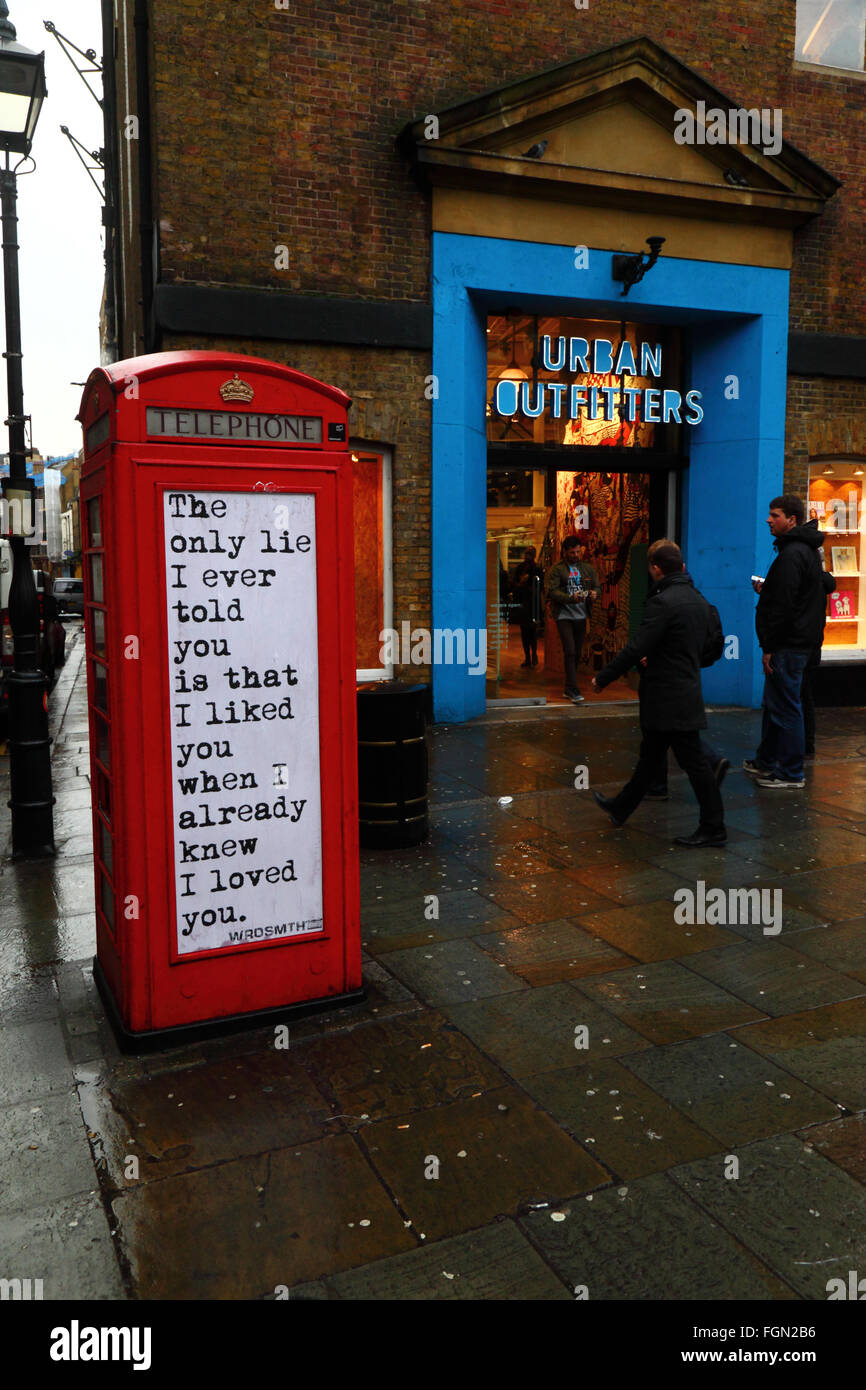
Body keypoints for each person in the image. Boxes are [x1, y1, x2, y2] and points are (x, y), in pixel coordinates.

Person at [590, 540, 726, 847]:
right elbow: (706, 648)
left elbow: (638, 647)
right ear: (682, 566)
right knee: (650, 759)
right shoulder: (698, 600)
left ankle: (714, 827)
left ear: (655, 568)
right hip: (684, 689)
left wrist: (605, 676)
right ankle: (621, 807)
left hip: (666, 694)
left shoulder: (663, 602)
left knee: (693, 763)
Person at [744, 495, 829, 789]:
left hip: (789, 645)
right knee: (778, 705)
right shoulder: (803, 552)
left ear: (792, 520)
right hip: (797, 643)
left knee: (787, 708)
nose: (769, 520)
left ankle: (791, 772)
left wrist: (769, 646)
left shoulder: (793, 554)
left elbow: (784, 605)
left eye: (775, 515)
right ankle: (770, 762)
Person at [641, 539, 730, 799]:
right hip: (681, 669)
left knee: (671, 733)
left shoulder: (670, 592)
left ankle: (709, 765)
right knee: (669, 733)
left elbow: (670, 630)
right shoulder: (686, 588)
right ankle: (655, 785)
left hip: (670, 673)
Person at [545, 534, 599, 703]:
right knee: (570, 651)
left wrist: (595, 593)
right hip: (564, 615)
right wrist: (571, 598)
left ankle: (569, 687)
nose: (575, 555)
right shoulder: (557, 569)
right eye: (572, 553)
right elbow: (551, 592)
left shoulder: (587, 569)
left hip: (581, 615)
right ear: (565, 552)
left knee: (576, 653)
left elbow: (596, 585)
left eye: (577, 552)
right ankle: (573, 688)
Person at [512, 546, 543, 667]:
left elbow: (539, 587)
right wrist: (520, 583)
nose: (527, 555)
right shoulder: (521, 568)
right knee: (525, 632)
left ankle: (533, 655)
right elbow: (514, 583)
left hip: (532, 603)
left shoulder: (536, 569)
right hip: (524, 603)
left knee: (532, 631)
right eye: (527, 553)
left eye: (530, 553)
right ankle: (528, 658)